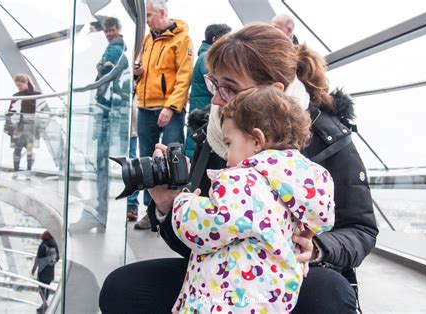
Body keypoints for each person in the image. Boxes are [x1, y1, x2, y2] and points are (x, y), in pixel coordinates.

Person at [100, 24, 378, 314]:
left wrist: (317, 248)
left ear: (272, 92)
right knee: (124, 287)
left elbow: (360, 229)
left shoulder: (327, 138)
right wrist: (168, 206)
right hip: (225, 273)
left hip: (288, 278)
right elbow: (206, 233)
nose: (216, 99)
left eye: (229, 87)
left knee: (330, 294)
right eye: (214, 83)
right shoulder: (215, 131)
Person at [171, 86, 335, 313]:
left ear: (257, 140)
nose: (226, 155)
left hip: (228, 299)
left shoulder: (244, 180)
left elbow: (205, 227)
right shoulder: (304, 182)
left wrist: (183, 204)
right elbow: (323, 219)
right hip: (272, 299)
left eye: (229, 143)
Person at [133, 0, 194, 230]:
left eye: (149, 15)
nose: (147, 20)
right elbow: (145, 71)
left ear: (162, 13)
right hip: (146, 107)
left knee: (172, 161)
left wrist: (170, 107)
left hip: (169, 108)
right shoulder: (148, 39)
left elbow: (183, 76)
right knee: (146, 161)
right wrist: (138, 74)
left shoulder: (182, 38)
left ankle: (174, 211)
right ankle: (150, 211)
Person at [70, 17, 130, 231]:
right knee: (99, 165)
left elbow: (106, 73)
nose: (109, 33)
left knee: (100, 164)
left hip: (106, 113)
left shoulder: (115, 49)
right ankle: (98, 210)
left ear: (119, 29)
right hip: (107, 113)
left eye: (112, 30)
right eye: (107, 31)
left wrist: (87, 86)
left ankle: (98, 211)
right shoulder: (118, 49)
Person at [184, 23, 231, 159]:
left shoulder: (204, 55)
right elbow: (219, 80)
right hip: (204, 118)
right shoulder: (208, 58)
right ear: (215, 39)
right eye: (227, 37)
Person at [4, 74, 41, 175]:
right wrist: (10, 128)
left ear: (26, 83)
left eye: (20, 85)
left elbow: (40, 112)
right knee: (17, 149)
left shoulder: (37, 95)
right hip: (18, 128)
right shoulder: (16, 96)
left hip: (30, 128)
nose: (18, 88)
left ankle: (28, 170)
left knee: (29, 149)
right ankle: (16, 171)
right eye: (17, 86)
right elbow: (11, 112)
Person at [31, 230, 60, 313]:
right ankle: (44, 304)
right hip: (51, 270)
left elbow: (37, 259)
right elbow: (57, 258)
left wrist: (33, 270)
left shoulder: (42, 245)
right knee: (47, 287)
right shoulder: (54, 244)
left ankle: (44, 303)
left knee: (40, 287)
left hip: (42, 270)